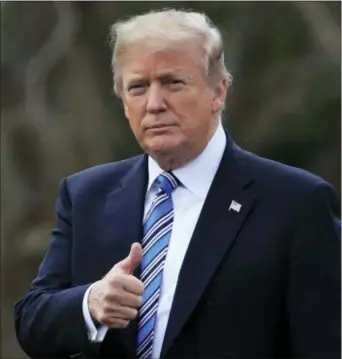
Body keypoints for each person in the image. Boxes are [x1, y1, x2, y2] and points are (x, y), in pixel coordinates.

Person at [14, 9, 340, 359]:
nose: (154, 104)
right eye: (138, 87)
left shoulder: (297, 203)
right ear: (124, 103)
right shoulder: (86, 196)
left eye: (173, 83)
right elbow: (32, 321)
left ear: (218, 93)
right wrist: (90, 304)